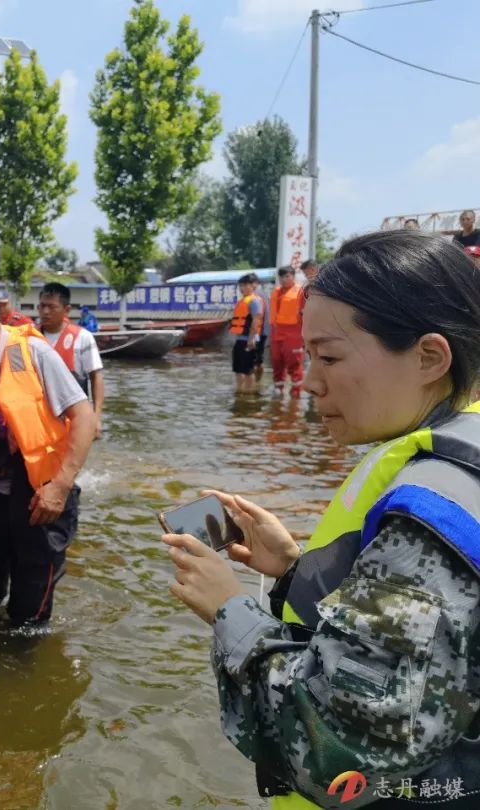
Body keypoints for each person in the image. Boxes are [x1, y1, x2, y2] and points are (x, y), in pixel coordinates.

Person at [162, 230, 480, 809]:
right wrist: (292, 571)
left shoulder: (438, 503)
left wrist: (232, 609)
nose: (309, 382)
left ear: (430, 357)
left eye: (329, 356)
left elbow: (340, 745)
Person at [0, 276, 95, 626]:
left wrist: (60, 485)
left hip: (41, 492)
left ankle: (28, 667)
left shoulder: (32, 353)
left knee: (30, 608)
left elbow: (83, 416)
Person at [37, 282, 104, 438]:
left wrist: (96, 416)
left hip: (72, 418)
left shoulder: (83, 338)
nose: (45, 312)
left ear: (66, 310)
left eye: (52, 307)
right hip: (38, 419)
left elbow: (96, 377)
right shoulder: (30, 337)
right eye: (42, 306)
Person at [269, 266, 305, 397]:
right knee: (276, 360)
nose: (284, 280)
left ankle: (296, 392)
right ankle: (278, 388)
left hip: (293, 332)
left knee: (293, 363)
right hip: (276, 331)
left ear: (293, 276)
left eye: (287, 276)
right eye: (281, 277)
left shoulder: (301, 292)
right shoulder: (276, 292)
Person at [228, 273, 264, 393]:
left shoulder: (254, 301)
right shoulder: (243, 301)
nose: (242, 288)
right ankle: (239, 392)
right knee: (238, 369)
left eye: (245, 285)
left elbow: (256, 319)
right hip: (240, 340)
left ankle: (249, 394)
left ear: (252, 286)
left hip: (249, 341)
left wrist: (251, 339)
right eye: (240, 286)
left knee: (248, 371)